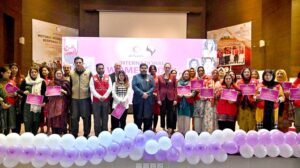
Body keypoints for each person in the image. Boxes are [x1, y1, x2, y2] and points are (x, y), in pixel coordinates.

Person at [19, 66, 46, 135]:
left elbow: (44, 93)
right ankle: (28, 135)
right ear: (29, 73)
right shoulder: (25, 81)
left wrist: (44, 102)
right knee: (27, 120)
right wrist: (23, 92)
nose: (34, 73)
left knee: (36, 120)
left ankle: (34, 134)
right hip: (27, 105)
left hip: (37, 104)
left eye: (35, 72)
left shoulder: (42, 82)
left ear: (38, 73)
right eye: (32, 72)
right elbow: (19, 90)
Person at [70, 56, 92, 138]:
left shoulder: (89, 73)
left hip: (85, 99)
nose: (78, 64)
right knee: (74, 118)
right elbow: (70, 85)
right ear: (74, 64)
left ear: (83, 63)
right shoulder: (71, 73)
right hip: (74, 99)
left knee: (86, 117)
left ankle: (86, 134)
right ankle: (74, 134)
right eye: (77, 63)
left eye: (80, 62)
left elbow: (92, 86)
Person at [90, 63, 112, 135]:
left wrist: (104, 96)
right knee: (97, 118)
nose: (101, 70)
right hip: (96, 101)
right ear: (96, 69)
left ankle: (105, 133)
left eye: (102, 68)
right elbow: (92, 89)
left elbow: (110, 88)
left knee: (105, 118)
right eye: (99, 68)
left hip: (106, 101)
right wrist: (99, 97)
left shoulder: (108, 77)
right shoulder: (93, 78)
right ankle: (97, 134)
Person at [132, 63, 155, 131]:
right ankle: (137, 132)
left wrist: (147, 93)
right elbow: (134, 86)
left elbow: (153, 86)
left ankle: (147, 132)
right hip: (138, 100)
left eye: (145, 68)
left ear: (147, 69)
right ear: (140, 69)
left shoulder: (150, 77)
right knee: (137, 117)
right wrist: (142, 94)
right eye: (142, 68)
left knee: (148, 117)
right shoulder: (135, 77)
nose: (143, 69)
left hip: (148, 100)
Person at [47, 69, 71, 134]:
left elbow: (69, 93)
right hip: (53, 103)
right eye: (57, 73)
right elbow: (47, 93)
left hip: (62, 102)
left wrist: (64, 91)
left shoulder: (66, 82)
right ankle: (54, 131)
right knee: (54, 117)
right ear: (55, 74)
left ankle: (62, 130)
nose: (59, 75)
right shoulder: (51, 82)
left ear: (62, 74)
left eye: (60, 73)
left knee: (61, 116)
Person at [157, 63, 177, 135]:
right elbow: (158, 89)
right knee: (162, 113)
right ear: (164, 68)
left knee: (170, 114)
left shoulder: (173, 77)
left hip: (171, 98)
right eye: (166, 67)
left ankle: (169, 128)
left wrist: (175, 99)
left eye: (168, 67)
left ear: (170, 68)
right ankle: (163, 128)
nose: (167, 68)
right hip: (162, 98)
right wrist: (158, 99)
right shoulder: (159, 77)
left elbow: (175, 88)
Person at [236, 67, 258, 132]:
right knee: (242, 122)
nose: (247, 73)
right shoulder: (239, 82)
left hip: (252, 105)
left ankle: (252, 138)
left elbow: (258, 90)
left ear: (250, 73)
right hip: (242, 105)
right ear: (242, 73)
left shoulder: (255, 81)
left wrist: (255, 94)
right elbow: (235, 91)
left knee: (252, 122)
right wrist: (238, 93)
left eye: (248, 72)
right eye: (245, 72)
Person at [177, 70, 196, 134]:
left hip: (188, 103)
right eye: (185, 74)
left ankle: (186, 133)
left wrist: (191, 95)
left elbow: (194, 91)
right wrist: (177, 94)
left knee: (187, 119)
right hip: (180, 103)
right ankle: (180, 132)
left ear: (189, 75)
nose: (186, 75)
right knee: (180, 118)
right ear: (182, 74)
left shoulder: (192, 82)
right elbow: (175, 90)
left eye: (187, 74)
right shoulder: (178, 82)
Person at [0, 66, 17, 134]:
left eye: (10, 73)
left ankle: (6, 136)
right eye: (7, 73)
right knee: (2, 121)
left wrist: (14, 94)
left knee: (9, 121)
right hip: (1, 104)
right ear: (2, 73)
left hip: (10, 104)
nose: (9, 74)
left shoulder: (12, 81)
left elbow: (16, 92)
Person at [9, 63, 25, 134]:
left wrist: (20, 94)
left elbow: (24, 89)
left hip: (19, 100)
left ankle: (17, 132)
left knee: (18, 116)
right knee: (11, 115)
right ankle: (13, 132)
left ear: (18, 69)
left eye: (16, 68)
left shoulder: (22, 77)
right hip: (10, 99)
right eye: (12, 68)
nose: (14, 70)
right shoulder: (7, 78)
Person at [39, 65, 53, 134]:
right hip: (41, 99)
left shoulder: (52, 79)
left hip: (50, 100)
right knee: (41, 114)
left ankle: (48, 129)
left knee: (49, 115)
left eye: (45, 70)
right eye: (42, 70)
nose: (44, 71)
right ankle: (41, 128)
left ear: (48, 71)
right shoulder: (39, 80)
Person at [149, 65, 160, 132]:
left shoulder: (158, 78)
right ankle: (149, 127)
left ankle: (154, 127)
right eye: (151, 69)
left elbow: (160, 88)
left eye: (154, 69)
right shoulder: (147, 77)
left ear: (156, 70)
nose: (153, 70)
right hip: (149, 98)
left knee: (156, 113)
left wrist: (157, 94)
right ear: (149, 70)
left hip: (156, 98)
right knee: (149, 113)